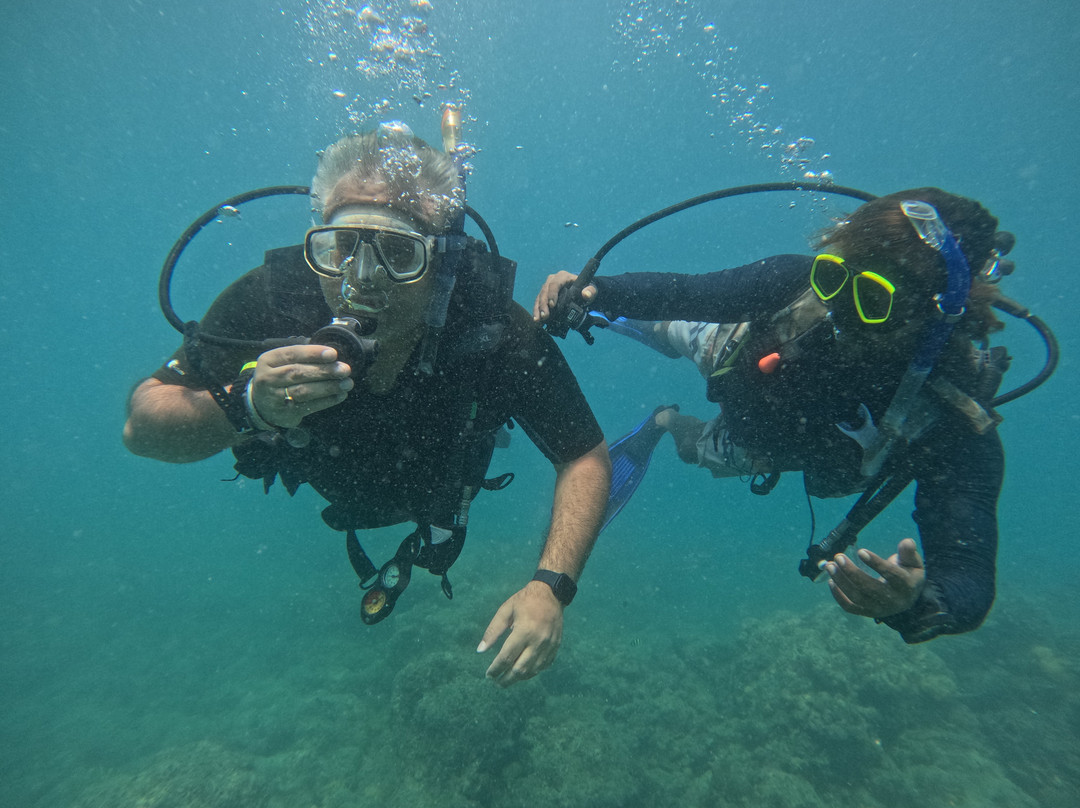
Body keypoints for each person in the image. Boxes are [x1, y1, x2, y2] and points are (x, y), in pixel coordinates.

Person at [124, 124, 610, 687]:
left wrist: (553, 586)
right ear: (318, 240)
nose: (363, 278)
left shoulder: (492, 327)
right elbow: (143, 426)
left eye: (400, 252)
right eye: (342, 246)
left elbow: (585, 457)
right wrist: (245, 406)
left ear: (443, 260)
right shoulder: (274, 299)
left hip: (438, 485)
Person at [534, 188, 1016, 643]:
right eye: (833, 277)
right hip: (735, 355)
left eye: (872, 299)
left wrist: (919, 605)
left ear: (934, 317)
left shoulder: (951, 416)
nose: (835, 307)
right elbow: (687, 293)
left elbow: (968, 573)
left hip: (762, 445)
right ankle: (606, 319)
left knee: (699, 452)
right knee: (666, 324)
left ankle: (663, 422)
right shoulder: (794, 282)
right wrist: (591, 291)